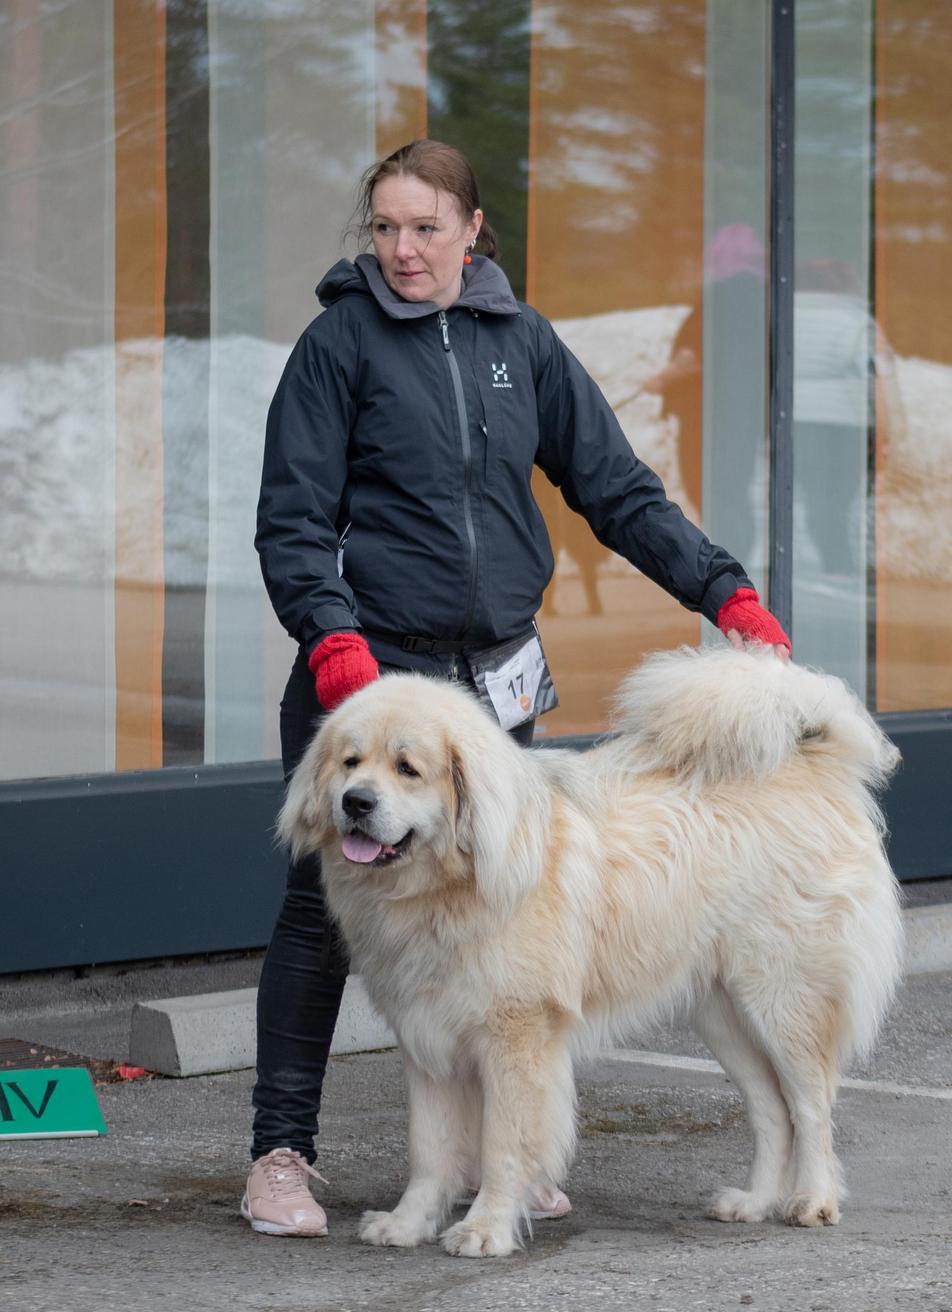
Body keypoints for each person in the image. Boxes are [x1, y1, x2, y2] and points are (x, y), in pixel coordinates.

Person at [247, 139, 790, 1239]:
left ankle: (511, 1152)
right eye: (385, 228)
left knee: (506, 924)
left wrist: (724, 591)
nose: (403, 250)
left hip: (495, 678)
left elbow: (616, 489)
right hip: (370, 677)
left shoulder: (522, 341)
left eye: (425, 228)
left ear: (472, 229)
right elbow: (292, 519)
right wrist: (333, 639)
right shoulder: (337, 344)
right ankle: (280, 1153)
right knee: (319, 915)